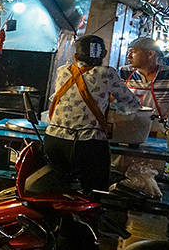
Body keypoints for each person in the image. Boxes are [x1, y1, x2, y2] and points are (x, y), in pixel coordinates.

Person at [46, 35, 141, 192]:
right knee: (95, 191)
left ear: (75, 56)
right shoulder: (107, 73)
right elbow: (132, 104)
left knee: (58, 191)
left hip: (54, 141)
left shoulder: (62, 70)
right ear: (104, 55)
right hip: (88, 144)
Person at [121, 36, 169, 130]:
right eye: (128, 52)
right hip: (129, 128)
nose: (128, 56)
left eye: (133, 52)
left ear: (150, 54)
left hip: (160, 131)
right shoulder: (125, 72)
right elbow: (113, 99)